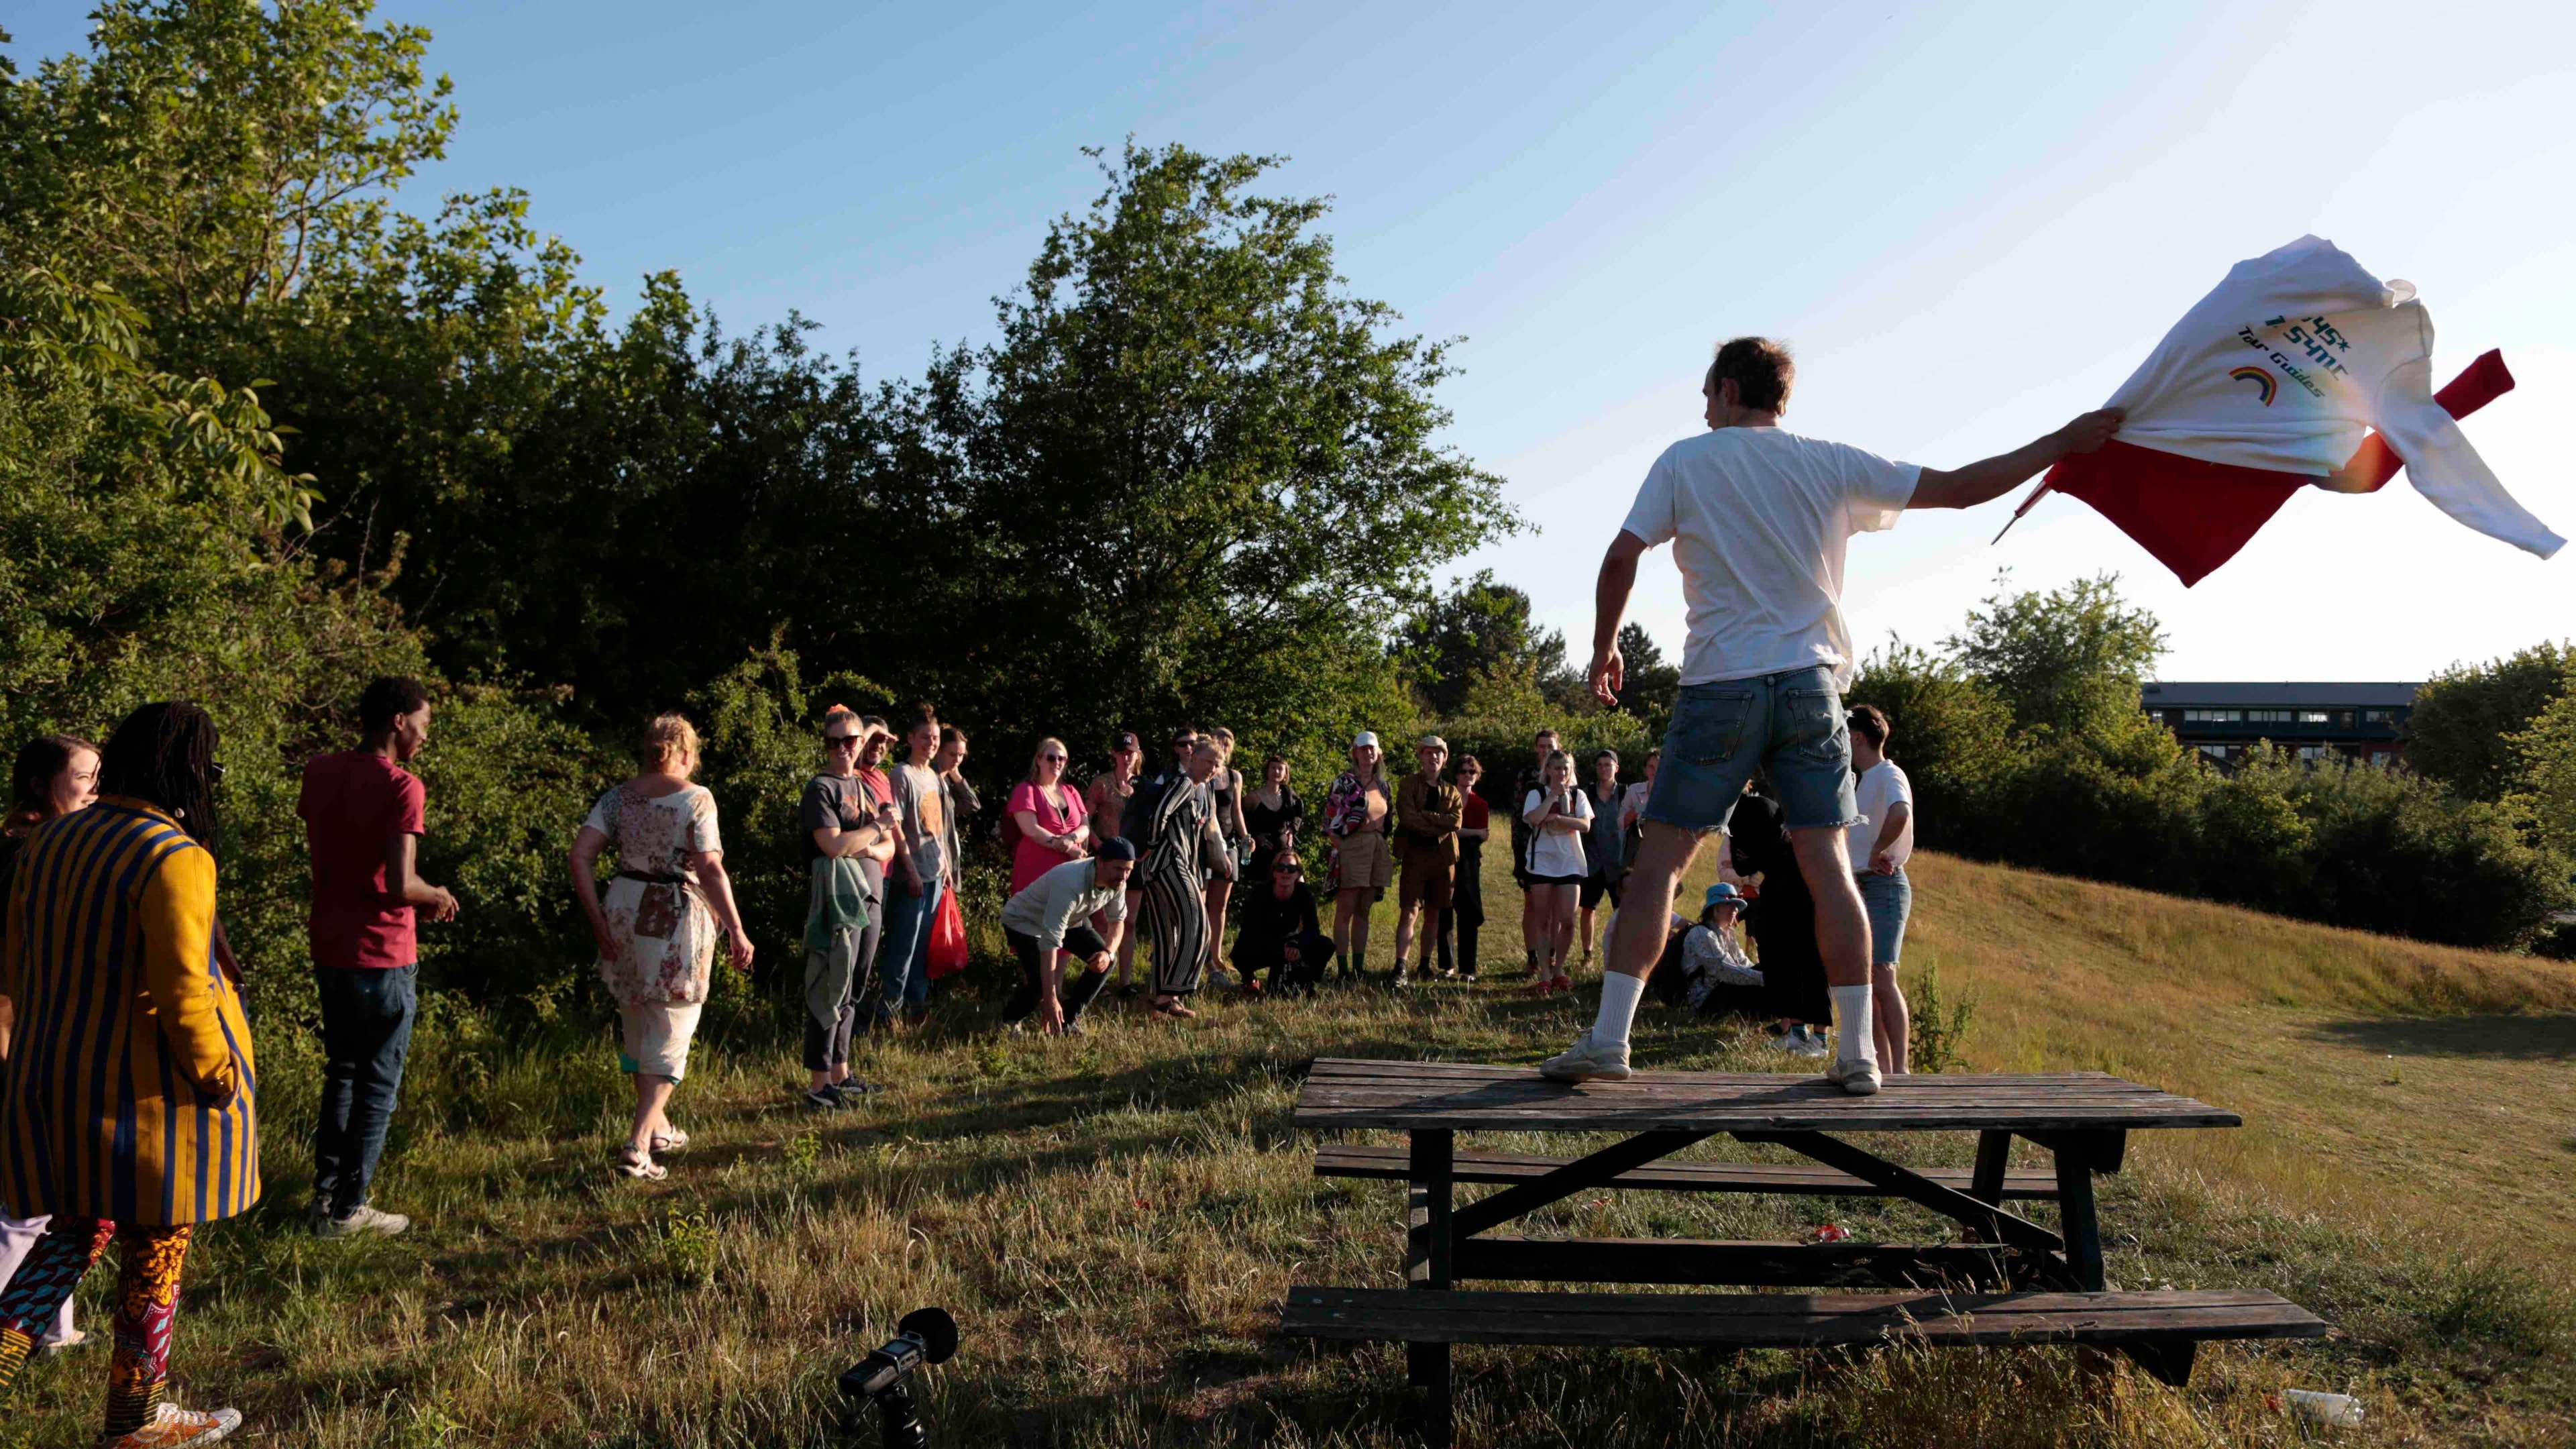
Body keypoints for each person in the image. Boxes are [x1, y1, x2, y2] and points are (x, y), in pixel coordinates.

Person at [1548, 335, 2121, 1092]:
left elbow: (1621, 557)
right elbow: (1957, 487)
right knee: (1827, 867)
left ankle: (1609, 1042)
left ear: (1725, 390)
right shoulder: (1831, 461)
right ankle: (1857, 1056)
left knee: (1661, 864)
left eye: (1706, 394)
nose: (1703, 408)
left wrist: (1604, 648)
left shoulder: (1685, 460)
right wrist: (2059, 441)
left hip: (1721, 683)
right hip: (1811, 688)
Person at [0, 702, 256, 1445]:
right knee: (157, 1251)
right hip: (145, 1104)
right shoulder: (174, 855)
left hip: (55, 1082)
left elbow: (16, 964)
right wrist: (217, 1075)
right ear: (183, 767)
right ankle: (135, 1422)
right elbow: (183, 990)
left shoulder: (51, 842)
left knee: (73, 1236)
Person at [297, 676, 457, 1239]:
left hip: (330, 945)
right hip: (382, 952)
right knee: (378, 1081)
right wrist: (436, 895)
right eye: (424, 723)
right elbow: (397, 883)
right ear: (397, 721)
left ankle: (326, 1199)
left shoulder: (318, 771)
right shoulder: (402, 787)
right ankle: (350, 1209)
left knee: (341, 1071)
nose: (424, 735)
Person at [569, 714, 755, 1179]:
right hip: (675, 915)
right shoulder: (697, 798)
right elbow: (709, 868)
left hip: (624, 909)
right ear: (688, 755)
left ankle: (659, 1128)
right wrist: (736, 928)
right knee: (673, 1028)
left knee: (638, 1022)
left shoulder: (617, 798)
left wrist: (597, 919)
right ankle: (637, 1146)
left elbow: (580, 856)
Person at [0, 733, 100, 1357]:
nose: (95, 787)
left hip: (26, 1034)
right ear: (42, 784)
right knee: (28, 1199)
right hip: (16, 1037)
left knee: (48, 1193)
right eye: (85, 776)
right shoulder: (30, 853)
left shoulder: (24, 843)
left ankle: (51, 1329)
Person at [795, 708, 898, 1112]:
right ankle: (819, 1083)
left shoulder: (865, 786)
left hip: (870, 896)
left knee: (855, 985)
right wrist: (874, 832)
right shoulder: (821, 788)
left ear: (861, 744)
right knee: (830, 984)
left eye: (850, 741)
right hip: (838, 899)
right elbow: (834, 846)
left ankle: (841, 1073)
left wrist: (867, 842)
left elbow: (889, 848)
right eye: (833, 742)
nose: (842, 749)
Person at [1732, 778, 1830, 1056]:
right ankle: (1796, 1032)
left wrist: (1759, 854)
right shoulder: (1733, 818)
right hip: (1774, 890)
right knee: (1778, 960)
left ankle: (1821, 1038)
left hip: (1804, 890)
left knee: (1811, 960)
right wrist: (1763, 854)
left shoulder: (1765, 807)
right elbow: (1741, 863)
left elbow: (1780, 850)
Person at [998, 839, 1134, 1036]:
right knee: (1040, 982)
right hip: (1025, 921)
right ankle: (1011, 1019)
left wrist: (1108, 953)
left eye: (1128, 870)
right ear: (1100, 862)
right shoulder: (1071, 883)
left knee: (1105, 960)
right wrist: (1051, 999)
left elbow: (1118, 921)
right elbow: (1050, 941)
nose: (1123, 876)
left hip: (1070, 920)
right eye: (1119, 869)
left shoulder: (1118, 882)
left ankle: (1068, 1020)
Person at [1846, 704, 1915, 1074]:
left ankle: (1901, 1071)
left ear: (1857, 737)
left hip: (1884, 886)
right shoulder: (1861, 780)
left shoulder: (1889, 773)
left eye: (1845, 734)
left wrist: (1877, 851)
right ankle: (1882, 1066)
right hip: (1860, 886)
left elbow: (1900, 813)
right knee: (1867, 980)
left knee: (1883, 975)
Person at [877, 704, 953, 1026]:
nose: (931, 743)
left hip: (936, 874)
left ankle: (916, 1005)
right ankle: (888, 1011)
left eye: (935, 738)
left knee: (924, 945)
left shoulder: (934, 776)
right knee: (903, 945)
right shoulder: (902, 775)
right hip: (911, 876)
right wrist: (909, 871)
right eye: (925, 737)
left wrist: (947, 865)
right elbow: (895, 827)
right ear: (910, 738)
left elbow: (940, 827)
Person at [1137, 738, 1224, 1018]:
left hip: (1166, 865)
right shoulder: (1183, 783)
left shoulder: (1199, 790)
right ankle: (1171, 993)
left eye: (1217, 764)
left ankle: (1159, 1001)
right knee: (1197, 924)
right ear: (1194, 757)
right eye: (1208, 761)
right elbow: (1160, 814)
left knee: (1166, 933)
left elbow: (1193, 839)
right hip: (1167, 862)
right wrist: (1151, 846)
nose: (1212, 768)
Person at [1115, 728, 1197, 996]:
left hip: (1140, 859)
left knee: (1129, 921)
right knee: (1105, 922)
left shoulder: (1151, 784)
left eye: (1131, 753)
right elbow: (1086, 817)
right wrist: (1100, 846)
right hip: (1109, 860)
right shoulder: (1102, 783)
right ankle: (1102, 980)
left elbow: (1162, 815)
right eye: (1121, 752)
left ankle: (1127, 983)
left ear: (1138, 755)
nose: (1126, 757)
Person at [1390, 736, 1462, 987]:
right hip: (1415, 856)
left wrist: (1428, 817)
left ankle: (1424, 964)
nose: (1433, 758)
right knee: (1410, 911)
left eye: (1438, 754)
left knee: (1434, 912)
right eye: (1428, 753)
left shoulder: (1452, 791)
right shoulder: (1409, 784)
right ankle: (1400, 966)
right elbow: (1408, 817)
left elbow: (1456, 821)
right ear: (1421, 757)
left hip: (1443, 860)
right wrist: (1436, 822)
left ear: (1444, 758)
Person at [1323, 733, 1395, 982]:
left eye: (1372, 749)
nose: (1368, 753)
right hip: (1352, 846)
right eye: (1363, 749)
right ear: (1355, 752)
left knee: (1364, 909)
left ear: (1379, 753)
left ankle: (1359, 967)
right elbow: (1329, 822)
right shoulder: (1344, 782)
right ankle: (1343, 970)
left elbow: (1389, 821)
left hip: (1377, 846)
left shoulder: (1383, 785)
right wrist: (1342, 848)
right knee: (1346, 909)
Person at [1519, 749, 1593, 994]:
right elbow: (1533, 819)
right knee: (1543, 919)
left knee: (1568, 920)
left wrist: (1559, 820)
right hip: (1542, 861)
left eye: (1566, 768)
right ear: (1548, 770)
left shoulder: (1579, 794)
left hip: (1570, 861)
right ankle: (1546, 973)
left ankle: (1560, 968)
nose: (1562, 773)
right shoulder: (1536, 793)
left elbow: (1585, 825)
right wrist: (1551, 797)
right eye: (1558, 768)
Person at [1232, 849, 1334, 997]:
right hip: (1264, 943)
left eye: (1291, 869)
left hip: (1291, 942)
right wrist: (1280, 950)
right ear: (1274, 872)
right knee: (1240, 951)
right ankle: (1249, 979)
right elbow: (1248, 929)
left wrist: (1296, 944)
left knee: (1325, 945)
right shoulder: (1260, 892)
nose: (1285, 872)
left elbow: (1313, 928)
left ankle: (1308, 980)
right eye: (1281, 868)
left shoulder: (1304, 893)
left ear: (1298, 874)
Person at [1662, 881, 1767, 1018]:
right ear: (1715, 908)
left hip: (1723, 991)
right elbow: (1722, 969)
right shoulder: (1701, 934)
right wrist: (1763, 978)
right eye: (1729, 904)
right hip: (1704, 1002)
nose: (1735, 909)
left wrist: (1765, 973)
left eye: (1736, 905)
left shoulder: (1728, 934)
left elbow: (1743, 963)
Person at [1008, 738, 1091, 897]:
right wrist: (1068, 847)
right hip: (1037, 873)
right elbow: (1031, 829)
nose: (1057, 762)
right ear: (1039, 760)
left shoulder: (1071, 791)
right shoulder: (1026, 790)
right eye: (1051, 758)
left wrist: (1072, 839)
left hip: (1072, 873)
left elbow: (1085, 825)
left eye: (1062, 758)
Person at [1509, 727, 1560, 977]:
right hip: (1530, 849)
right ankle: (1532, 959)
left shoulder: (1564, 776)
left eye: (1550, 746)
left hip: (1558, 849)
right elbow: (1518, 816)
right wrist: (1519, 852)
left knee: (1554, 907)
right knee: (1532, 904)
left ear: (1557, 747)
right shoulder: (1526, 776)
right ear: (1536, 748)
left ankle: (1551, 956)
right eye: (1542, 746)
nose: (1546, 751)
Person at [1434, 754, 1489, 981]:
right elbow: (1442, 827)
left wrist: (1461, 831)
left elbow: (1483, 835)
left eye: (1472, 772)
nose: (1468, 776)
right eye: (1464, 771)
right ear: (1456, 774)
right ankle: (1447, 965)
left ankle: (1469, 969)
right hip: (1444, 858)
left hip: (1468, 862)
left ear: (1477, 776)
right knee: (1444, 910)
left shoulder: (1480, 804)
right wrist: (1470, 832)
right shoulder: (1445, 797)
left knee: (1468, 913)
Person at [1202, 727, 1250, 982]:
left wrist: (1245, 837)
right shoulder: (1204, 772)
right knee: (1200, 902)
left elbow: (1237, 810)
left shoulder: (1234, 776)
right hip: (1205, 843)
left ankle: (1216, 955)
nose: (1225, 743)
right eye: (1220, 739)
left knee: (1220, 906)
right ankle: (1202, 958)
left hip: (1229, 842)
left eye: (1229, 740)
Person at [1577, 750, 1626, 963]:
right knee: (1588, 908)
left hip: (1619, 863)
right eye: (1600, 765)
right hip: (1592, 861)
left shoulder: (1625, 793)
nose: (1604, 768)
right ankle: (1587, 955)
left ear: (1617, 768)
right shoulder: (1586, 793)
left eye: (1608, 764)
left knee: (1622, 911)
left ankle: (1621, 955)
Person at [1242, 754, 1304, 884]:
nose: (1276, 772)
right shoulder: (1253, 797)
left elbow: (1299, 813)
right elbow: (1242, 819)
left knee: (1298, 886)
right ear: (1267, 770)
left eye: (1280, 769)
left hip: (1284, 852)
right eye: (1273, 768)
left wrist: (1292, 829)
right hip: (1262, 854)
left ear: (1285, 773)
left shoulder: (1289, 795)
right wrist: (1256, 836)